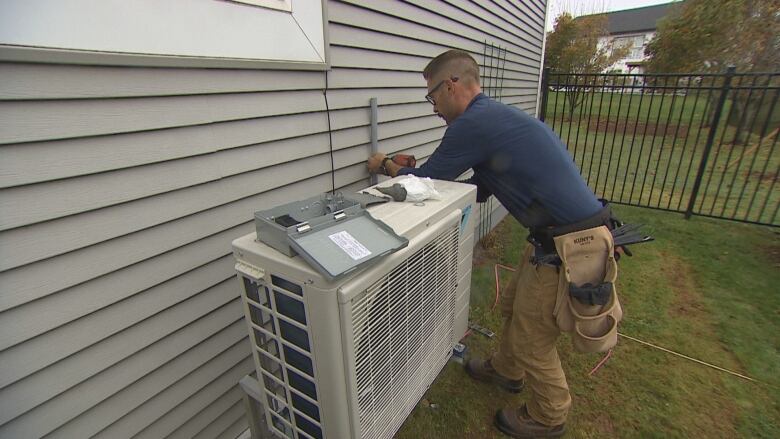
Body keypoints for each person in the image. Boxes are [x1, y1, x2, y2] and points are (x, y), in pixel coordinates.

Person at [367, 49, 613, 438]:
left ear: (451, 86)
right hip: (555, 238)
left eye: (432, 97)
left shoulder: (472, 124)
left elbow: (429, 181)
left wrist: (385, 165)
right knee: (516, 307)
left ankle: (550, 416)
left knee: (534, 337)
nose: (433, 108)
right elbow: (477, 188)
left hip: (571, 245)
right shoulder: (495, 118)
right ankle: (506, 371)